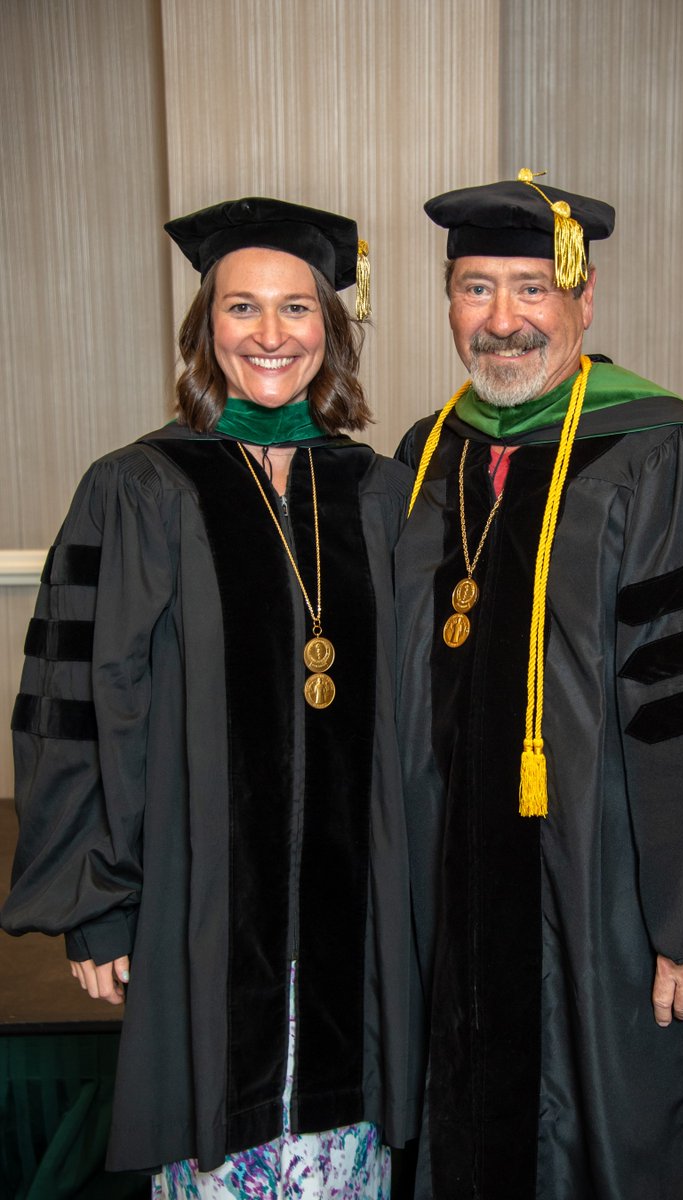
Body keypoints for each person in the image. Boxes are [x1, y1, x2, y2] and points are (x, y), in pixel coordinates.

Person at [1, 196, 422, 1197]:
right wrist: (95, 903)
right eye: (241, 309)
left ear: (332, 331)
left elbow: (423, 717)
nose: (269, 335)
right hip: (200, 904)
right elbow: (78, 704)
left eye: (295, 310)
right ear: (204, 328)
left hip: (355, 909)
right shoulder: (139, 488)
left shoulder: (379, 491)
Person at [394, 170, 683, 1199]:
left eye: (530, 289)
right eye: (475, 289)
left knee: (612, 1134)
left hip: (606, 885)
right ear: (447, 303)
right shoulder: (424, 452)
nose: (501, 321)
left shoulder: (661, 451)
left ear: (582, 302)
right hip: (450, 883)